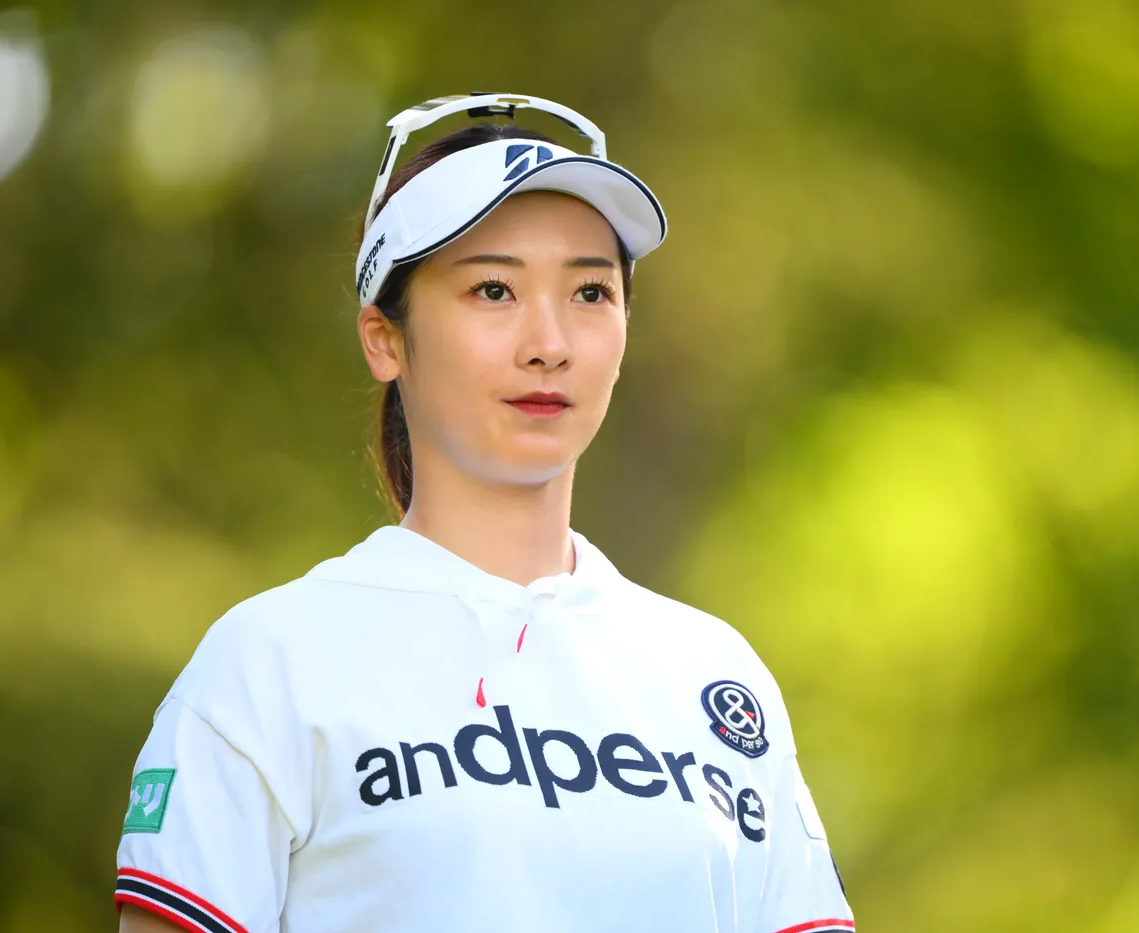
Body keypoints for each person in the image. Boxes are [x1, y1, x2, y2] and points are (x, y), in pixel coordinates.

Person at [114, 92, 855, 933]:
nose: (550, 344)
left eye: (590, 292)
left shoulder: (713, 676)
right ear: (384, 339)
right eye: (494, 289)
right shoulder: (268, 665)